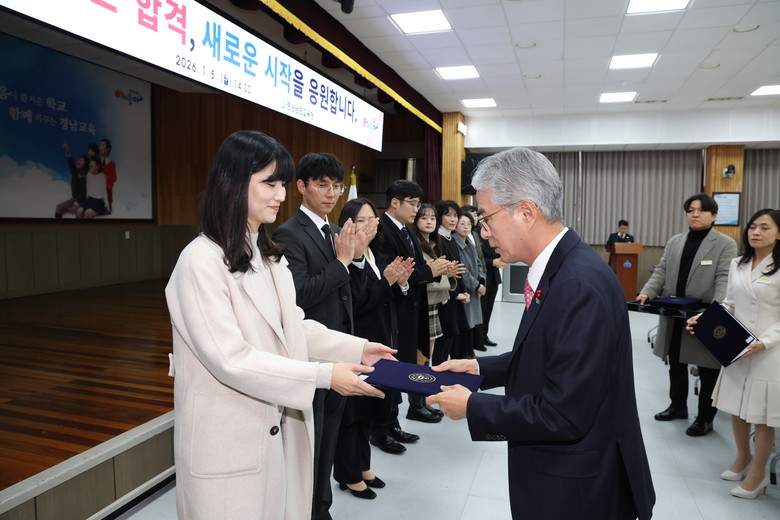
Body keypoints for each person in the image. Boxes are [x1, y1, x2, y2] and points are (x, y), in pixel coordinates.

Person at [164, 130, 394, 520]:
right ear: (234, 183)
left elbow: (293, 326)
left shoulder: (268, 256)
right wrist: (325, 375)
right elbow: (230, 359)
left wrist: (356, 348)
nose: (280, 195)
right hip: (228, 438)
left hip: (274, 427)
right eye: (269, 183)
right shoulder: (199, 261)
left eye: (282, 184)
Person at [426, 147, 655, 520]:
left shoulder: (578, 285)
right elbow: (550, 353)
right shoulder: (561, 268)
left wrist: (472, 406)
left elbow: (564, 414)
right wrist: (481, 369)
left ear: (526, 212)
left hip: (576, 490)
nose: (483, 232)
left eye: (486, 218)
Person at [271, 152, 372, 520]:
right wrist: (342, 262)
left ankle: (321, 508)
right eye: (322, 185)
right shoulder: (288, 233)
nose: (331, 193)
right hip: (311, 355)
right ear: (301, 187)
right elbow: (298, 295)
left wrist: (357, 258)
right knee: (309, 445)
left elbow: (352, 294)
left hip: (338, 352)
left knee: (329, 440)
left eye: (336, 186)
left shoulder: (335, 230)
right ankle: (308, 511)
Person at [686, 208, 780, 499]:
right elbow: (729, 303)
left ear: (779, 233)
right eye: (752, 227)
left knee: (761, 417)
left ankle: (758, 474)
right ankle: (743, 457)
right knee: (738, 410)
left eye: (764, 227)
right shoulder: (738, 263)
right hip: (737, 347)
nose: (756, 232)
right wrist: (705, 320)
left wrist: (765, 341)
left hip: (768, 352)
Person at [333, 198, 414, 498]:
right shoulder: (346, 257)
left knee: (367, 409)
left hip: (380, 339)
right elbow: (357, 303)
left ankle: (363, 466)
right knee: (352, 412)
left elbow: (389, 298)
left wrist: (400, 283)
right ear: (347, 224)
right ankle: (348, 474)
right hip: (358, 343)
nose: (368, 225)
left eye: (372, 220)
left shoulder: (375, 254)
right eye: (361, 220)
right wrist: (387, 282)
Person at [637, 194, 737, 436]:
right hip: (675, 314)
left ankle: (705, 418)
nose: (695, 214)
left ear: (714, 216)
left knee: (708, 369)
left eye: (702, 210)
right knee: (676, 363)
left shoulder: (725, 244)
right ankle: (678, 406)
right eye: (691, 210)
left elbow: (724, 278)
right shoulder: (676, 241)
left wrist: (717, 311)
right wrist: (647, 292)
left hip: (704, 315)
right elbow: (661, 271)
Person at [378, 180, 449, 423]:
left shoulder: (407, 230)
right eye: (413, 204)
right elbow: (397, 272)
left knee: (414, 358)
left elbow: (416, 269)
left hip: (414, 304)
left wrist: (433, 269)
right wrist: (430, 270)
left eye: (418, 204)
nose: (416, 210)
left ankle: (413, 408)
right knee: (395, 366)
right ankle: (388, 423)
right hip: (396, 307)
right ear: (395, 202)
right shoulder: (383, 230)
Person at [414, 203, 458, 364]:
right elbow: (423, 277)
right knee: (422, 353)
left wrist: (447, 273)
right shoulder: (415, 244)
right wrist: (444, 274)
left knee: (428, 352)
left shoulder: (433, 243)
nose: (429, 222)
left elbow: (435, 273)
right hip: (424, 303)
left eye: (433, 218)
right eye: (424, 218)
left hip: (434, 302)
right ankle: (418, 378)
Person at [452, 210, 486, 358]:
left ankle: (469, 352)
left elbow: (479, 263)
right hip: (464, 290)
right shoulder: (454, 243)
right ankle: (463, 355)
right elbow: (462, 271)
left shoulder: (469, 242)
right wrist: (476, 285)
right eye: (462, 224)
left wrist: (481, 280)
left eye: (469, 224)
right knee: (464, 323)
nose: (466, 227)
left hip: (474, 289)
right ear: (455, 226)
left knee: (472, 323)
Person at [55, 142, 87, 218]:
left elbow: (83, 192)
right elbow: (70, 161)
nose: (79, 161)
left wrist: (75, 205)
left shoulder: (85, 177)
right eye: (79, 159)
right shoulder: (75, 172)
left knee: (78, 212)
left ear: (85, 165)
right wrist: (67, 151)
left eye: (82, 160)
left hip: (82, 202)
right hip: (73, 199)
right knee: (59, 207)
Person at [99, 138, 117, 213]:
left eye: (102, 145)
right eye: (100, 145)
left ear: (108, 149)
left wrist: (104, 177)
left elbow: (114, 178)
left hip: (107, 189)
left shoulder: (112, 163)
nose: (100, 147)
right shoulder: (97, 162)